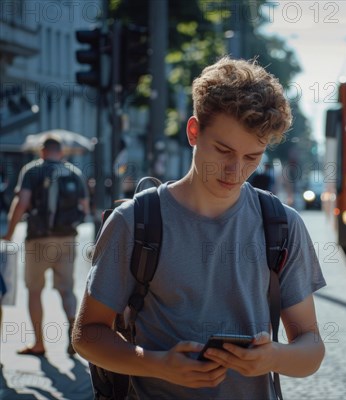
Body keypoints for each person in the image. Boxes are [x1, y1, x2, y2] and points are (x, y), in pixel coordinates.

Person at [72, 57, 327, 399]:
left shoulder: (282, 225)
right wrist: (156, 364)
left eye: (253, 157)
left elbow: (311, 348)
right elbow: (87, 334)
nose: (235, 170)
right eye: (223, 150)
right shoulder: (135, 222)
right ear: (194, 131)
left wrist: (273, 357)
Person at [2, 136, 89, 356]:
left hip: (37, 239)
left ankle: (39, 344)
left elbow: (21, 203)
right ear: (61, 153)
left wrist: (9, 234)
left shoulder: (32, 171)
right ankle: (74, 334)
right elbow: (84, 208)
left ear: (42, 152)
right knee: (67, 290)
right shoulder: (74, 173)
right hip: (67, 238)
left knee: (34, 291)